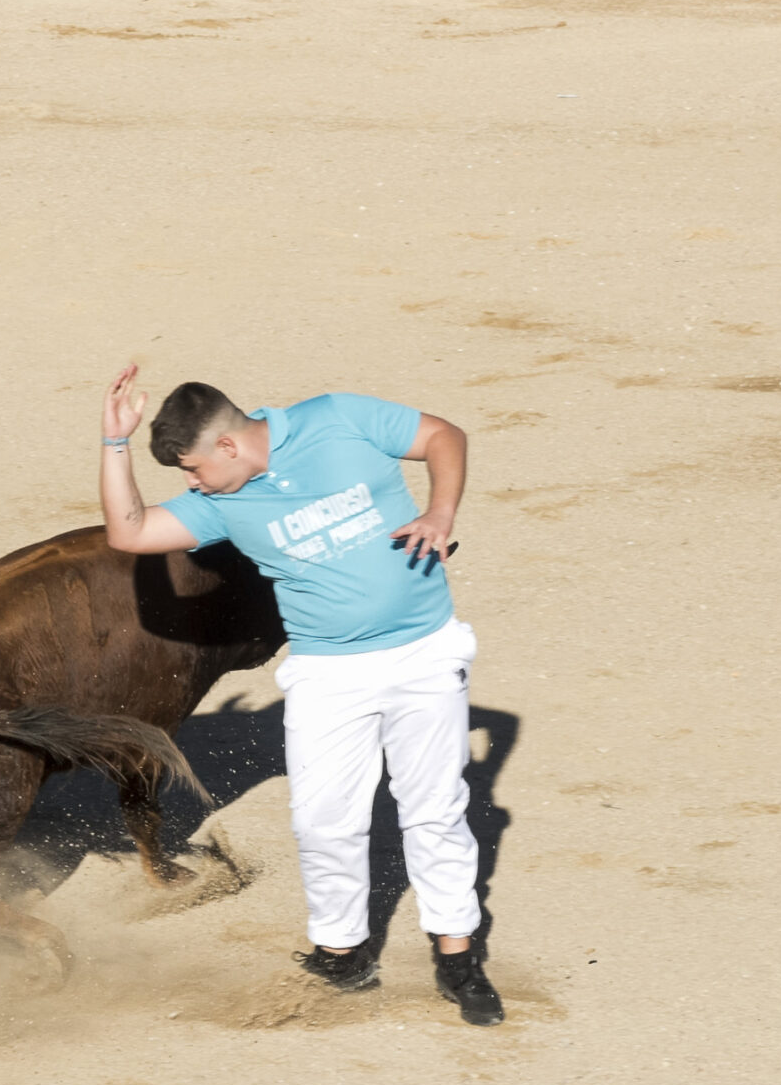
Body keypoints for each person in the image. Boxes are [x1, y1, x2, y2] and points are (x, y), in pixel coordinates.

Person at [98, 366, 503, 1026]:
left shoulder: (339, 416)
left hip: (423, 652)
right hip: (326, 672)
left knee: (434, 809)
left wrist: (440, 509)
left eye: (194, 468)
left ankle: (458, 958)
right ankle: (343, 952)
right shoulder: (223, 502)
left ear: (228, 446)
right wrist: (114, 444)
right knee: (324, 819)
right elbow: (130, 530)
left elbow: (443, 435)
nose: (191, 483)